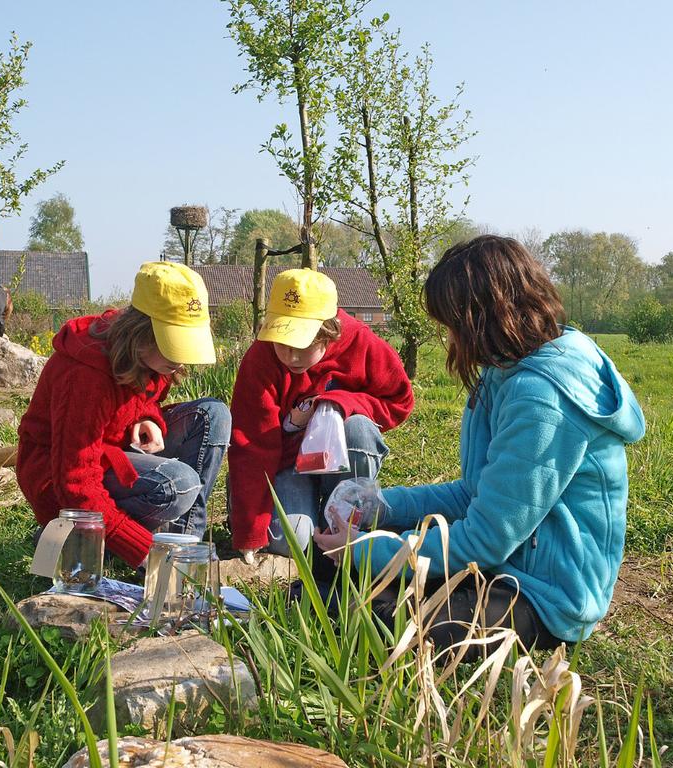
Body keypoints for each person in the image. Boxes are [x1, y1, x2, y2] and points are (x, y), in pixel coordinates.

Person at [314, 235, 645, 652]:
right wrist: (382, 507)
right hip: (503, 561)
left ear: (479, 320)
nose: (449, 340)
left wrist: (365, 552)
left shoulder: (543, 400)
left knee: (386, 623)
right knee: (327, 565)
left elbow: (486, 538)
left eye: (450, 326)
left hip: (543, 593)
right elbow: (474, 494)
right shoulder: (503, 371)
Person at [17, 262, 230, 568]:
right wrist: (144, 553)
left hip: (115, 451)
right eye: (173, 345)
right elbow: (74, 482)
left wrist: (148, 416)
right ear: (140, 331)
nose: (181, 357)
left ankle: (183, 548)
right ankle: (73, 535)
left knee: (213, 415)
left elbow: (140, 398)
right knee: (179, 484)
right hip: (58, 478)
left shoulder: (151, 357)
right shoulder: (85, 377)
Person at [228, 268, 414, 560]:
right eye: (283, 344)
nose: (292, 357)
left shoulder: (361, 344)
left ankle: (347, 518)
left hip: (342, 464)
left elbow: (399, 400)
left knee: (359, 429)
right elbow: (251, 444)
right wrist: (249, 528)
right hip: (286, 465)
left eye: (304, 345)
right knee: (289, 542)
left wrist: (340, 402)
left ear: (330, 332)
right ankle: (302, 513)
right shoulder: (260, 359)